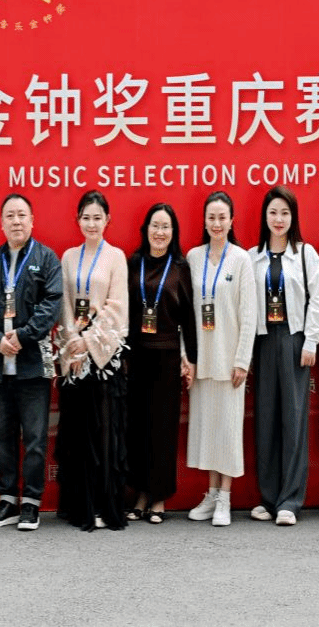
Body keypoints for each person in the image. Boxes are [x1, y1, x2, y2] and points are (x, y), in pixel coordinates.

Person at [0, 193, 62, 531]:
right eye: (10, 215)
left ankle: (31, 504)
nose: (16, 221)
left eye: (22, 215)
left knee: (35, 438)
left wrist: (22, 336)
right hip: (0, 367)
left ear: (32, 221)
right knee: (1, 436)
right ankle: (7, 500)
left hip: (33, 366)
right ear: (1, 223)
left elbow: (52, 304)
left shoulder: (46, 259)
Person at [249, 186, 319, 527]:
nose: (278, 219)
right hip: (264, 341)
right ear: (264, 217)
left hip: (295, 341)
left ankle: (291, 500)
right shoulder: (253, 256)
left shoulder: (305, 253)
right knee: (266, 420)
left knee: (294, 420)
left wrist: (311, 341)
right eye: (273, 212)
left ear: (293, 216)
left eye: (285, 212)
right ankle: (269, 498)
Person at [56, 190, 129, 531]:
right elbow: (64, 304)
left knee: (104, 433)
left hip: (103, 359)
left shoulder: (116, 257)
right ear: (78, 220)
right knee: (78, 434)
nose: (91, 223)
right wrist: (73, 343)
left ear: (107, 220)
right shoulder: (68, 257)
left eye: (97, 217)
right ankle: (80, 506)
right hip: (75, 359)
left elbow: (117, 307)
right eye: (86, 217)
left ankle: (103, 504)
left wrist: (89, 342)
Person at [184, 192, 258, 527]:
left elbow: (249, 313)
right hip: (202, 359)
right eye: (211, 218)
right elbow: (186, 313)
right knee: (208, 430)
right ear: (204, 221)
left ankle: (225, 497)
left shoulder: (241, 259)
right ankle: (211, 494)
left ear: (231, 221)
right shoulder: (193, 257)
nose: (216, 224)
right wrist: (186, 357)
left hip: (229, 361)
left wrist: (242, 360)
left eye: (222, 218)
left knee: (228, 431)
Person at [125, 204, 197, 525]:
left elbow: (189, 318)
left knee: (163, 430)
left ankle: (159, 498)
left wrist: (190, 358)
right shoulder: (134, 263)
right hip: (136, 356)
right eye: (155, 225)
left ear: (173, 232)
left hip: (167, 356)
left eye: (166, 227)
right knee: (138, 428)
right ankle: (140, 494)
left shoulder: (180, 267)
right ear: (146, 230)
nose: (160, 232)